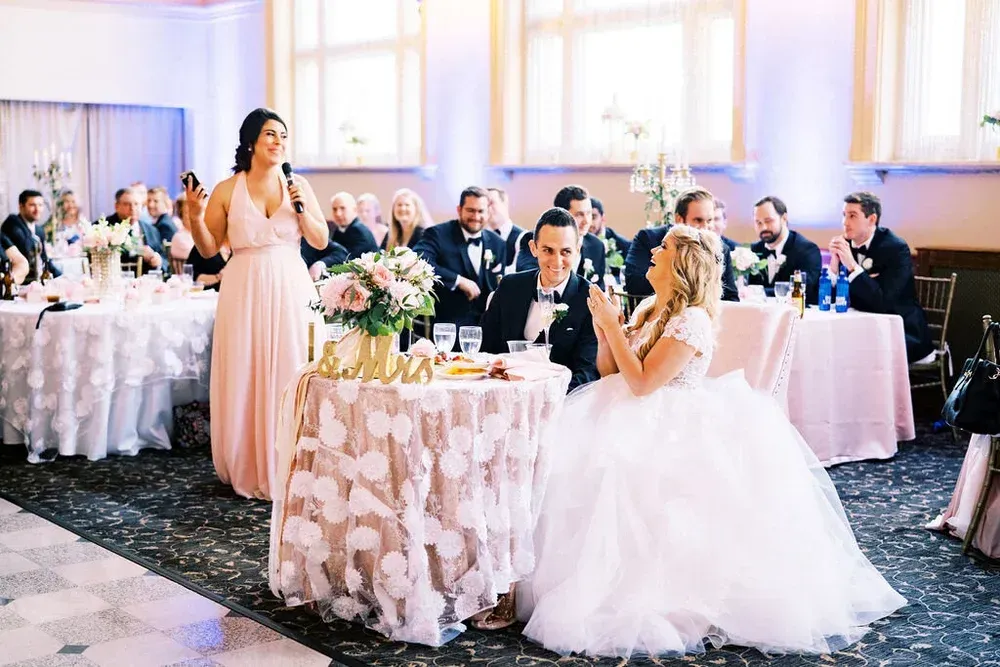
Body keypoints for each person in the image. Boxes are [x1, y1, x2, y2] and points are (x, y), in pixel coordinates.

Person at [521, 224, 906, 658]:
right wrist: (605, 327)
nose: (652, 250)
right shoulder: (650, 307)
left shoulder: (692, 320)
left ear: (683, 262)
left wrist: (613, 327)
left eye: (663, 247)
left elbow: (646, 383)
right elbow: (613, 373)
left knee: (635, 486)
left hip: (670, 424)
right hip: (628, 409)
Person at [185, 107, 329, 500]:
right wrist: (195, 216)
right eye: (270, 134)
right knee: (245, 368)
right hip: (244, 284)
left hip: (290, 284)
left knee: (291, 366)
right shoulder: (228, 189)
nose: (279, 141)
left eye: (283, 135)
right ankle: (248, 461)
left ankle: (292, 460)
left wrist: (300, 209)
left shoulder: (299, 186)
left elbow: (320, 241)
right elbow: (209, 247)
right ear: (251, 141)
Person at [481, 208, 599, 392]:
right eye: (548, 250)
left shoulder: (591, 300)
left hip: (561, 404)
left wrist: (545, 399)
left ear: (577, 250)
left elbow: (588, 373)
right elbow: (485, 349)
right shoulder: (509, 286)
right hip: (502, 395)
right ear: (533, 248)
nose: (557, 261)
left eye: (566, 251)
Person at [828, 191, 933, 362]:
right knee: (831, 347)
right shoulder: (845, 245)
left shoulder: (896, 249)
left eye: (853, 216)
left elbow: (884, 303)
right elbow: (830, 300)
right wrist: (833, 267)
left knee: (854, 354)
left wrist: (853, 267)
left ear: (871, 219)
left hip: (902, 333)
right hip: (859, 329)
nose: (845, 223)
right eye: (844, 215)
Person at [412, 186, 505, 329]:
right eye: (470, 210)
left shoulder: (498, 243)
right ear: (459, 209)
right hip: (448, 327)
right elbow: (419, 260)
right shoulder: (437, 234)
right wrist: (458, 280)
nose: (476, 216)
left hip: (487, 328)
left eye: (481, 211)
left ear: (488, 212)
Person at [623, 187, 738, 301]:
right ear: (679, 219)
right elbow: (635, 285)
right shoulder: (648, 239)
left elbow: (731, 298)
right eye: (698, 220)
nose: (705, 227)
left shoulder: (720, 249)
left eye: (709, 220)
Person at [748, 196, 822, 304]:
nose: (763, 227)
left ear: (784, 218)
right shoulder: (754, 250)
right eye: (758, 222)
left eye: (768, 221)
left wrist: (760, 292)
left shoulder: (807, 250)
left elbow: (803, 289)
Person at [1, 190, 61, 283]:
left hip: (39, 280)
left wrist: (60, 277)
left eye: (40, 205)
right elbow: (26, 246)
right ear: (21, 206)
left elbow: (44, 259)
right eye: (32, 205)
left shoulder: (39, 230)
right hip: (23, 281)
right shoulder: (12, 223)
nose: (37, 209)